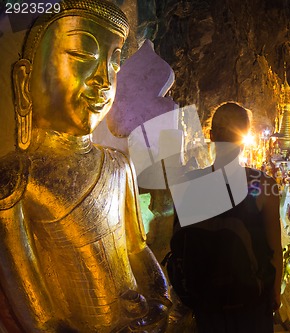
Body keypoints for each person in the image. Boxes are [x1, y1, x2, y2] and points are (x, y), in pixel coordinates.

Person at [0, 1, 170, 331]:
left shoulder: (119, 166)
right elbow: (36, 308)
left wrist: (160, 297)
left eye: (114, 62)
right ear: (25, 81)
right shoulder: (18, 180)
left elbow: (137, 247)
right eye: (81, 54)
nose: (104, 80)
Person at [168, 102, 282, 333]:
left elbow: (179, 246)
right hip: (251, 301)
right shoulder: (262, 184)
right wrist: (275, 292)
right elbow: (274, 248)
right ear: (245, 137)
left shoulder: (188, 184)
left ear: (211, 136)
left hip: (206, 302)